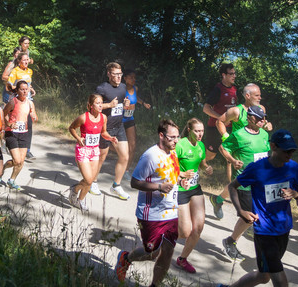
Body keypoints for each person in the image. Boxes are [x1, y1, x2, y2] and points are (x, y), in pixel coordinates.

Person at [218, 129, 298, 287]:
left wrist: (297, 195)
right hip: (264, 231)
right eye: (286, 150)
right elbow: (232, 187)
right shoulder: (257, 168)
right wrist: (240, 210)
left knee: (263, 276)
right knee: (279, 278)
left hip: (284, 229)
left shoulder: (294, 168)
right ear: (273, 146)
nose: (290, 154)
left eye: (292, 150)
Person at [114, 119, 181, 285]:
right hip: (151, 213)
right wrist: (159, 187)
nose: (176, 141)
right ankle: (126, 258)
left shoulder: (173, 153)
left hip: (171, 212)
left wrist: (181, 180)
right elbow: (134, 182)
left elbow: (172, 177)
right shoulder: (150, 156)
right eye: (172, 137)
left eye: (177, 137)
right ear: (161, 136)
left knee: (168, 252)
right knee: (151, 252)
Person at [211, 83, 273, 219]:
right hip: (238, 153)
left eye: (260, 95)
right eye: (257, 95)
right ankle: (247, 218)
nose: (260, 98)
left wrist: (268, 125)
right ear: (247, 96)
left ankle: (218, 201)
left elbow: (264, 123)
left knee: (247, 184)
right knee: (239, 185)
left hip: (256, 152)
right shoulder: (236, 111)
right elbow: (219, 122)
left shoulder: (261, 108)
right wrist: (225, 136)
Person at [218, 105, 272, 261]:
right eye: (259, 118)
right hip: (244, 182)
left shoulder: (263, 134)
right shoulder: (238, 135)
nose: (263, 121)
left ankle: (234, 241)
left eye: (264, 118)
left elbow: (266, 155)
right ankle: (230, 242)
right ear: (250, 118)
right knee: (250, 217)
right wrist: (233, 160)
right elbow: (223, 147)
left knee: (259, 215)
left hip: (261, 182)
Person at [173, 118, 214, 273]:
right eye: (197, 131)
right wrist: (182, 174)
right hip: (180, 189)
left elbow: (201, 164)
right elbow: (169, 164)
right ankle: (161, 239)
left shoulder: (201, 145)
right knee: (184, 231)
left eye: (202, 131)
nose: (200, 134)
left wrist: (207, 168)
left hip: (195, 189)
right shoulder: (180, 145)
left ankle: (182, 259)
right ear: (189, 130)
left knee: (198, 228)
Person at [67, 94, 117, 211]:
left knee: (91, 180)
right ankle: (74, 190)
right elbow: (71, 128)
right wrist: (78, 138)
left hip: (95, 150)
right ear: (90, 105)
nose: (100, 105)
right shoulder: (83, 118)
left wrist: (110, 138)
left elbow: (103, 132)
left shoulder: (103, 117)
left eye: (101, 103)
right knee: (88, 179)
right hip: (83, 150)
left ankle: (80, 200)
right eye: (97, 103)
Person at [93, 62, 131, 200]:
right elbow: (93, 105)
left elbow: (121, 104)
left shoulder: (123, 87)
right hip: (105, 127)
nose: (118, 77)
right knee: (102, 157)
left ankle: (116, 185)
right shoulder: (102, 88)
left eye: (120, 74)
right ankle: (93, 182)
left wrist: (125, 105)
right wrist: (109, 105)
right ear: (109, 74)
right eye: (115, 74)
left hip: (118, 126)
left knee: (124, 156)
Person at [0, 80, 37, 190]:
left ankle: (12, 180)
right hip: (12, 133)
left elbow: (33, 113)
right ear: (17, 90)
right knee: (16, 160)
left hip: (24, 134)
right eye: (22, 89)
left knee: (21, 161)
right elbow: (3, 114)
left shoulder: (30, 103)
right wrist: (9, 124)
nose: (25, 91)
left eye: (26, 89)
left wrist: (34, 115)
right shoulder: (13, 102)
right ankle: (2, 170)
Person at [202, 63, 238, 174]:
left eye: (235, 73)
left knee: (230, 157)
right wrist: (221, 119)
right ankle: (198, 165)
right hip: (214, 127)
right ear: (223, 75)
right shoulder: (218, 89)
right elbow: (206, 108)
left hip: (230, 128)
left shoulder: (235, 89)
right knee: (211, 155)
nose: (234, 76)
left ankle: (231, 186)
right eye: (231, 74)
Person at [122, 69, 151, 173]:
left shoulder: (135, 88)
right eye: (131, 77)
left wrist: (143, 103)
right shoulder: (121, 89)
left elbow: (136, 97)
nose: (133, 79)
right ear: (125, 78)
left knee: (133, 146)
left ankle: (126, 171)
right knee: (116, 145)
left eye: (134, 77)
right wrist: (122, 105)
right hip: (119, 120)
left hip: (129, 119)